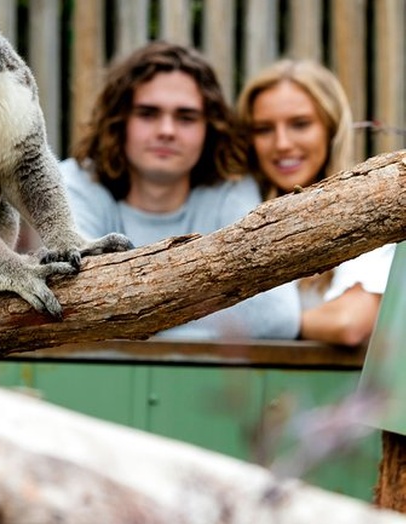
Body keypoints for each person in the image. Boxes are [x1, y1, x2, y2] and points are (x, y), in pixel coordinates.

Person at [61, 41, 300, 340]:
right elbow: (75, 303)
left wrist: (130, 323)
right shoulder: (77, 181)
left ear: (208, 128)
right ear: (120, 121)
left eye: (185, 117)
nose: (167, 130)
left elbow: (277, 316)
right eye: (148, 113)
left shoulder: (230, 190)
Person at [236, 59, 394, 346]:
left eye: (300, 124)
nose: (282, 143)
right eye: (264, 129)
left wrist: (258, 323)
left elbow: (348, 323)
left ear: (331, 128)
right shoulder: (235, 212)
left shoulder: (369, 208)